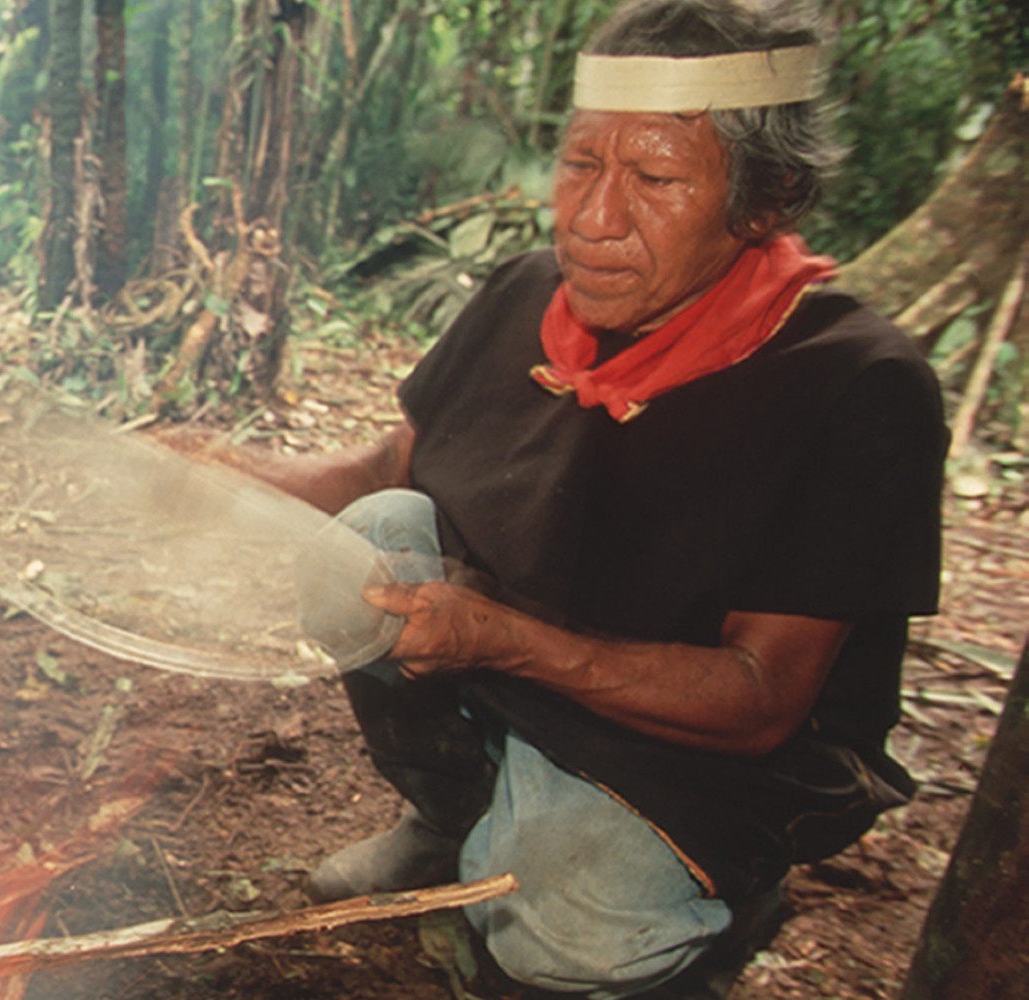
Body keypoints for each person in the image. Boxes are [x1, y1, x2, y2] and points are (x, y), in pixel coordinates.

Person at [244, 0, 946, 996]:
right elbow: (381, 479)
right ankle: (454, 817)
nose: (591, 216)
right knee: (364, 546)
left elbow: (755, 702)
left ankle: (705, 896)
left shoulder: (855, 381)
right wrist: (212, 469)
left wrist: (495, 638)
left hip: (701, 757)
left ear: (766, 200)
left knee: (556, 938)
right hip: (510, 665)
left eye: (654, 178)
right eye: (579, 165)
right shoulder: (527, 292)